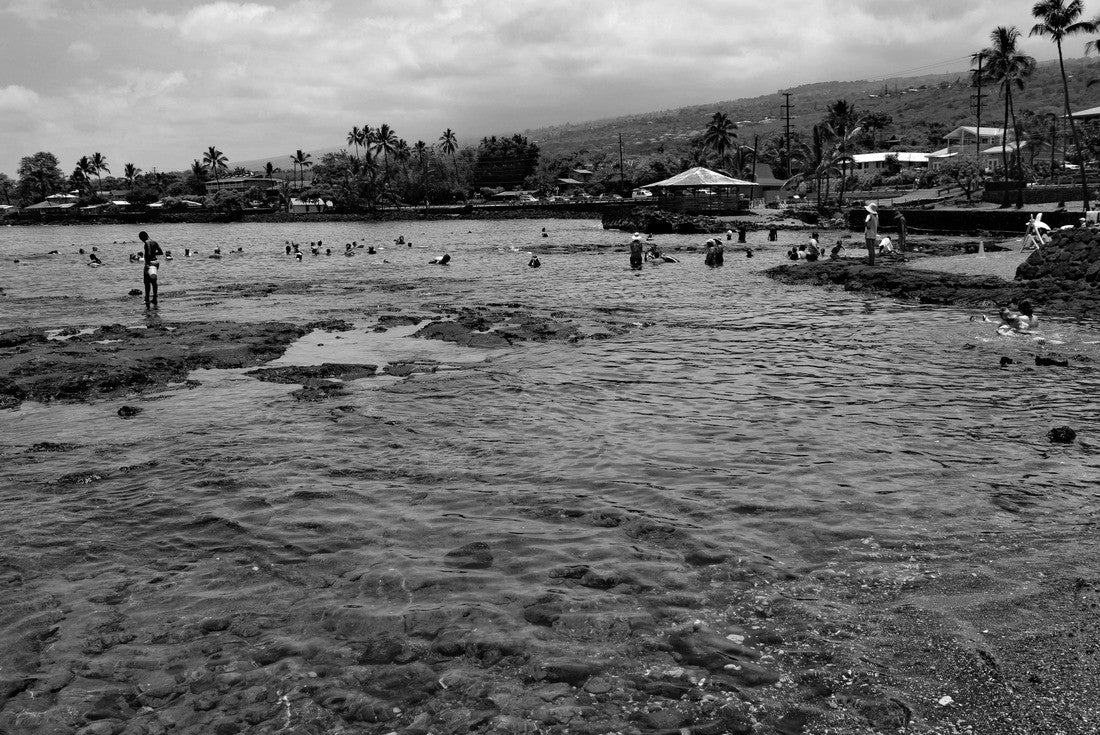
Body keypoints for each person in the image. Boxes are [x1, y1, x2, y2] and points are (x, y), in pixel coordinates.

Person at [138, 231, 163, 308]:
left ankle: (147, 299)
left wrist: (148, 262)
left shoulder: (147, 242)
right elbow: (161, 252)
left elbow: (148, 253)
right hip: (156, 262)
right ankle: (155, 298)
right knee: (154, 280)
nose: (141, 240)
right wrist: (154, 254)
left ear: (143, 237)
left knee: (146, 282)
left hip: (149, 263)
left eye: (140, 238)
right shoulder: (154, 242)